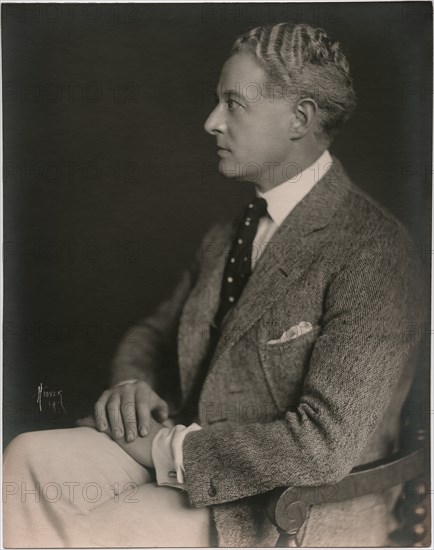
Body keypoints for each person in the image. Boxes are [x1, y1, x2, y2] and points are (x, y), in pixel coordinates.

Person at [3, 22, 427, 548]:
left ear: (300, 118)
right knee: (27, 458)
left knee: (99, 529)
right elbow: (150, 334)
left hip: (298, 500)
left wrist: (166, 451)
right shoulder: (228, 235)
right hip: (190, 452)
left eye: (233, 103)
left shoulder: (373, 248)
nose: (211, 122)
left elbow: (325, 447)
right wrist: (131, 389)